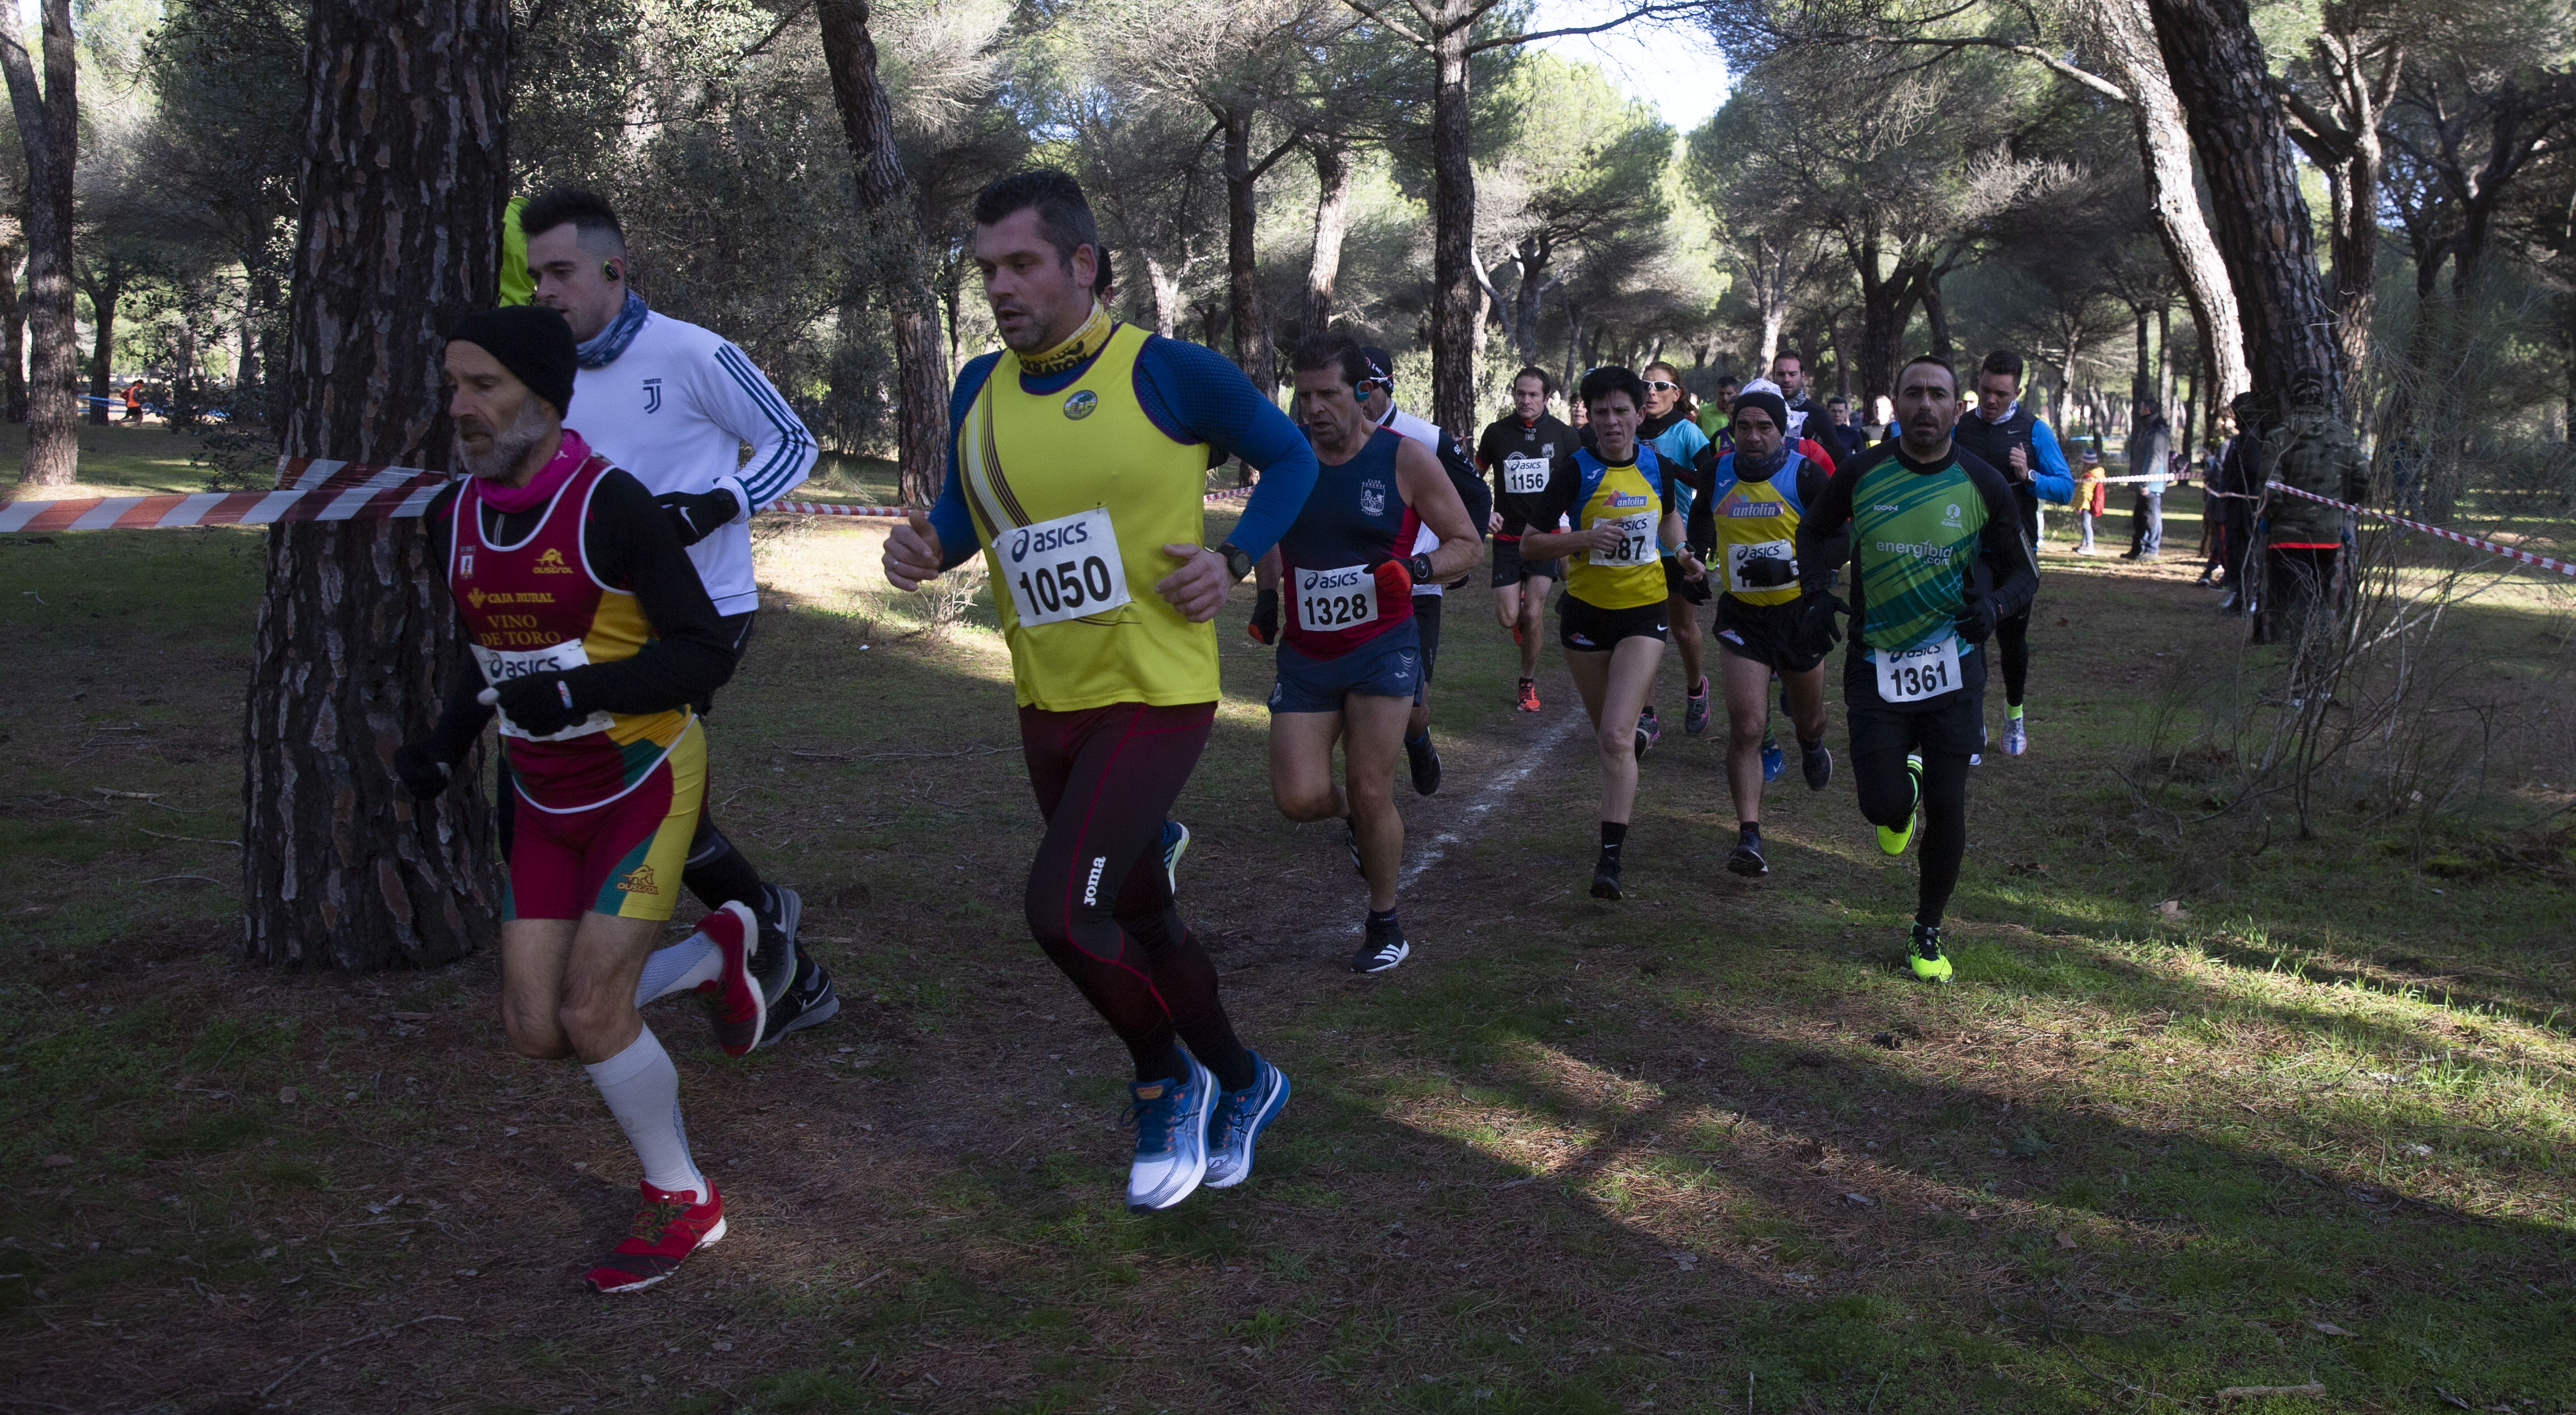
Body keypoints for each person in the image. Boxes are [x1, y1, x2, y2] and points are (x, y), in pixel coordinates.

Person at [882, 169, 1312, 1212]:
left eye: (1022, 264)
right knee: (1146, 921)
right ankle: (1249, 1081)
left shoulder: (1168, 372)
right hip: (1048, 700)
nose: (1000, 288)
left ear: (1083, 265)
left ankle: (1166, 1075)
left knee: (1061, 917)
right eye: (987, 270)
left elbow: (1290, 457)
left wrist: (1238, 554)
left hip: (1154, 691)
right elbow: (962, 510)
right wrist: (924, 545)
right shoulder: (977, 384)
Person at [395, 305, 761, 1293]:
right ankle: (707, 955)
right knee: (536, 1026)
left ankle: (682, 1197)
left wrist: (582, 693)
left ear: (544, 399)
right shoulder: (450, 519)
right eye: (453, 386)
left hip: (643, 779)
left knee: (592, 1010)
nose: (460, 408)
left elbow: (702, 655)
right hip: (539, 795)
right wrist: (442, 747)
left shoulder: (614, 506)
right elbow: (486, 663)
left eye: (484, 387)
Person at [519, 188, 837, 1045]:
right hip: (591, 623)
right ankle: (764, 927)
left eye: (561, 271)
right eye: (533, 274)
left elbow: (794, 444)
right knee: (641, 791)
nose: (545, 290)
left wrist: (712, 505)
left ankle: (756, 940)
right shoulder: (540, 375)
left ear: (614, 271)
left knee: (637, 784)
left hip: (702, 613)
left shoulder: (691, 353)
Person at [1794, 354, 2037, 983]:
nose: (1924, 405)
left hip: (1953, 669)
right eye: (1912, 394)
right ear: (1893, 405)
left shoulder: (1982, 482)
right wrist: (1816, 590)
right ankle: (1900, 790)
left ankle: (1926, 930)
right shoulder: (1860, 471)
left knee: (1950, 808)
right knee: (1879, 808)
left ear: (1956, 408)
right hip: (1875, 664)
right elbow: (1813, 531)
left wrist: (1993, 607)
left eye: (1937, 395)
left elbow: (2023, 573)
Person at [1251, 335, 1480, 972]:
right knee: (1297, 797)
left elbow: (1467, 543)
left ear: (1362, 392)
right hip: (1306, 652)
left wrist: (1415, 568)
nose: (1314, 408)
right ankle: (1357, 809)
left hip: (1382, 645)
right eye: (1304, 395)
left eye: (1328, 393)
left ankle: (1385, 922)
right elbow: (1264, 531)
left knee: (1370, 781)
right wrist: (1267, 597)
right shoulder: (1285, 461)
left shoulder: (1405, 458)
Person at [1519, 366, 1693, 900]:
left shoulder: (1657, 466)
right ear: (1589, 418)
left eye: (1621, 411)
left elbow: (1666, 519)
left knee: (1616, 737)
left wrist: (1682, 551)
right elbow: (1528, 544)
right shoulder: (1573, 471)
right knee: (1610, 741)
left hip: (1644, 613)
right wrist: (1584, 539)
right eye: (1601, 414)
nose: (1611, 422)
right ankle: (1635, 732)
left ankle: (1609, 861)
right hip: (1586, 617)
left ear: (1640, 414)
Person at [1684, 386, 1841, 877]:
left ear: (1781, 430)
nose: (1753, 437)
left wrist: (1810, 567)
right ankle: (1748, 835)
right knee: (1748, 725)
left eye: (1764, 427)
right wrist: (1694, 554)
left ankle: (1813, 745)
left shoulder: (1807, 474)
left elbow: (1841, 535)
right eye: (1744, 427)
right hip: (1743, 616)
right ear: (1732, 431)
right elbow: (1701, 523)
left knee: (1808, 718)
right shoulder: (1716, 471)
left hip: (1798, 615)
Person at [1353, 346, 1492, 796]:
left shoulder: (1426, 437)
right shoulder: (1333, 438)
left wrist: (1455, 556)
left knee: (1412, 708)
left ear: (1386, 385)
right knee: (1355, 701)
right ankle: (1366, 803)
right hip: (1353, 586)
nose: (1359, 399)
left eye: (1367, 388)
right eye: (1351, 387)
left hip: (1417, 586)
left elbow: (1476, 494)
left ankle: (1417, 737)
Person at [1948, 350, 2072, 758]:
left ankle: (2014, 714)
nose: (1990, 400)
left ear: (2016, 391)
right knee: (1973, 634)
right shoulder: (1961, 427)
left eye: (2000, 393)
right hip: (1972, 551)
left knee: (2012, 641)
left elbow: (2066, 489)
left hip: (2018, 553)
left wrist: (2029, 476)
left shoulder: (2034, 430)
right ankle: (1974, 724)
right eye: (1984, 390)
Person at [1477, 366, 1577, 712]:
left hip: (1544, 537)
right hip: (1506, 538)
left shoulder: (1564, 436)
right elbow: (1474, 479)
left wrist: (1568, 523)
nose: (1526, 400)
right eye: (1521, 393)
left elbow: (1584, 481)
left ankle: (1527, 683)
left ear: (1547, 398)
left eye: (1534, 394)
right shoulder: (1496, 433)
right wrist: (1483, 512)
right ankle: (1518, 603)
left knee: (1533, 614)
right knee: (1509, 618)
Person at [2255, 371, 2370, 650]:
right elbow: (2364, 478)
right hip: (2327, 536)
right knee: (2318, 597)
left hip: (2286, 535)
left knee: (2291, 598)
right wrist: (2342, 509)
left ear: (2293, 397)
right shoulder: (2343, 437)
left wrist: (2270, 518)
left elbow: (2271, 487)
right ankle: (2315, 650)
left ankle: (2299, 655)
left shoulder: (2279, 436)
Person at [1632, 362, 1716, 743]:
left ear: (1676, 392)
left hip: (1675, 542)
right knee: (1641, 631)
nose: (1651, 391)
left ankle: (1696, 688)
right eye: (1645, 384)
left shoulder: (1687, 431)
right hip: (1635, 544)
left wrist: (1668, 469)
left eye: (1660, 385)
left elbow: (1709, 480)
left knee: (1681, 628)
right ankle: (1646, 714)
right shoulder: (1629, 427)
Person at [2122, 397, 2170, 560]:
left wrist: (2146, 483)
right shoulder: (2147, 430)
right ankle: (2137, 549)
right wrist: (2134, 482)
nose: (2139, 411)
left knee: (2151, 517)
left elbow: (2155, 459)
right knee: (2139, 518)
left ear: (2148, 411)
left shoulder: (2158, 432)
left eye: (2142, 408)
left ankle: (2151, 550)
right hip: (2143, 482)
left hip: (2152, 485)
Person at [1770, 351, 1818, 440]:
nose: (1786, 380)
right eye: (1781, 374)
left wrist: (1812, 437)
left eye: (1792, 374)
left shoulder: (1817, 413)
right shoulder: (1764, 408)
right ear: (1773, 375)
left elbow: (1838, 452)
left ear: (1803, 376)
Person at [2075, 448, 2107, 554]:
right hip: (2087, 504)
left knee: (2086, 524)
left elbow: (2085, 492)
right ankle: (2084, 544)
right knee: (2086, 524)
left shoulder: (2089, 476)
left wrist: (2080, 504)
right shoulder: (2092, 475)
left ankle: (2090, 545)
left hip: (2086, 504)